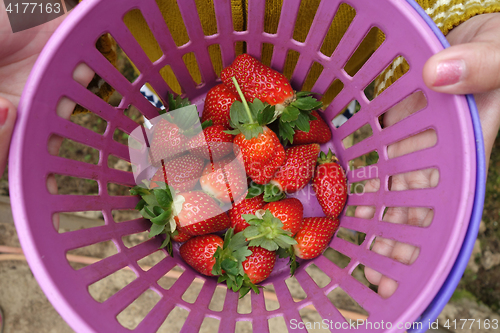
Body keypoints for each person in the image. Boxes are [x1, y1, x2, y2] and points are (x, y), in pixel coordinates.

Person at [0, 1, 499, 319]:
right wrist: (33, 10)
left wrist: (463, 19)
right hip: (183, 89)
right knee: (179, 137)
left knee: (251, 142)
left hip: (327, 86)